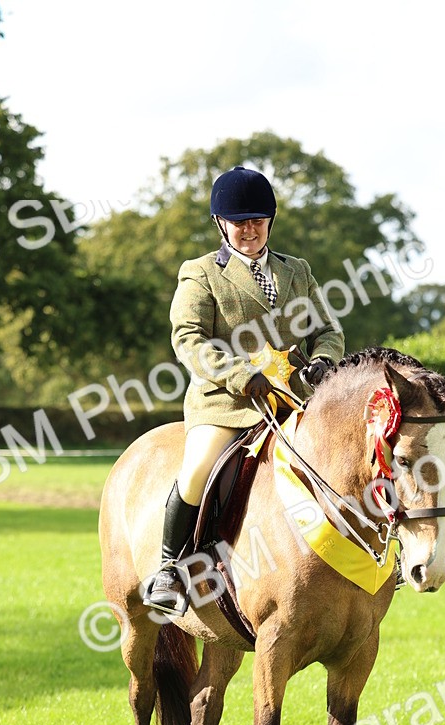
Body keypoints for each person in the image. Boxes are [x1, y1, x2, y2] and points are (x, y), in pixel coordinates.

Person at [146, 165, 345, 614]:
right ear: (221, 223)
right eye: (239, 222)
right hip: (227, 402)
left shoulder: (297, 271)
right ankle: (168, 569)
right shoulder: (201, 273)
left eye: (257, 219)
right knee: (197, 468)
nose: (249, 229)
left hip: (294, 400)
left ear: (270, 221)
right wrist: (240, 376)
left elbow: (327, 329)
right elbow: (188, 339)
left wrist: (323, 362)